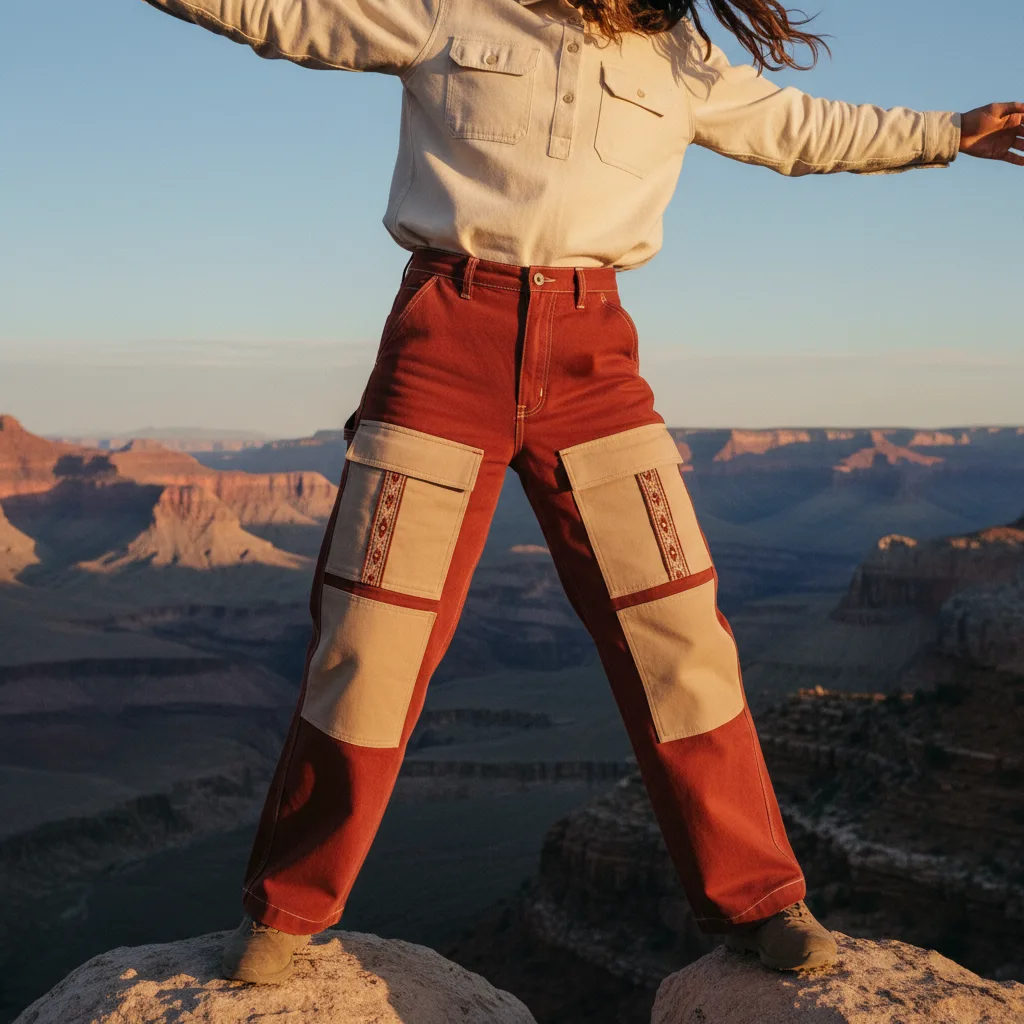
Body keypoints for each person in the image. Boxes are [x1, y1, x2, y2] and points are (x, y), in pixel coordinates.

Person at [139, 0, 1023, 985]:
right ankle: (288, 911)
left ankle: (762, 902)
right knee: (369, 638)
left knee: (678, 635)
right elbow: (286, 13)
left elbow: (794, 126)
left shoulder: (677, 53)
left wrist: (945, 133)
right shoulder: (448, 9)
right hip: (444, 339)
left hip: (593, 352)